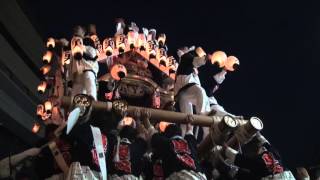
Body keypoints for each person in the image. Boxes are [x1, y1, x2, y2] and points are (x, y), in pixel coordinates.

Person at [143, 113, 206, 180]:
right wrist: (189, 123)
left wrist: (145, 118)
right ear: (180, 134)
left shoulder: (166, 143)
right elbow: (190, 132)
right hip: (198, 176)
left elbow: (152, 133)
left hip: (181, 176)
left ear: (165, 136)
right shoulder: (189, 144)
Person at [174, 46, 211, 137]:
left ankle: (185, 140)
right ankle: (202, 115)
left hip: (182, 94)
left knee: (187, 120)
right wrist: (205, 58)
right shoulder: (186, 57)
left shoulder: (190, 68)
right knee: (200, 92)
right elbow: (195, 61)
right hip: (185, 88)